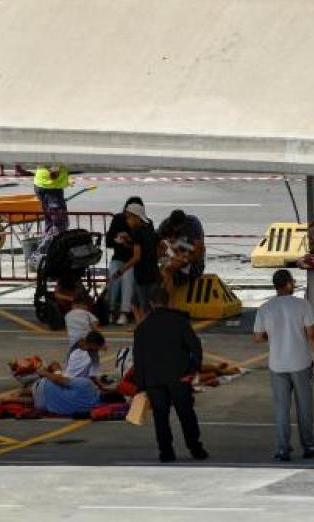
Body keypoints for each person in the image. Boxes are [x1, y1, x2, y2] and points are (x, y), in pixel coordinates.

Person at [254, 269, 314, 461]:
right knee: (304, 408)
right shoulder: (302, 305)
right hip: (300, 363)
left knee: (282, 409)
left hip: (277, 365)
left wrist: (273, 334)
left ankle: (283, 449)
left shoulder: (265, 308)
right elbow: (312, 335)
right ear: (288, 284)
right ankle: (308, 446)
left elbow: (258, 337)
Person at [133, 285, 207, 463]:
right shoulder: (179, 322)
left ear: (150, 304)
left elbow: (138, 358)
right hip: (179, 376)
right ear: (168, 301)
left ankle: (166, 451)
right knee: (186, 414)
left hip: (154, 379)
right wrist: (192, 369)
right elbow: (196, 347)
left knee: (160, 416)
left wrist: (141, 385)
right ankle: (195, 448)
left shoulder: (142, 327)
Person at [105, 197, 145, 325]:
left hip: (133, 262)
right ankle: (111, 310)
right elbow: (108, 241)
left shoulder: (144, 224)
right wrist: (118, 239)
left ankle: (124, 312)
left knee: (128, 277)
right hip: (119, 258)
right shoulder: (118, 219)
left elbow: (143, 249)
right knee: (113, 275)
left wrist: (129, 240)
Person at [157, 209, 206, 294]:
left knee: (168, 270)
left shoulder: (193, 224)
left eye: (177, 227)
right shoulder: (166, 224)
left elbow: (198, 251)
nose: (175, 230)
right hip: (174, 255)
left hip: (192, 261)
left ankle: (169, 302)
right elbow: (156, 240)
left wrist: (184, 259)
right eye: (173, 227)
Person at [33, 165, 70, 240]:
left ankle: (47, 243)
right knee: (59, 222)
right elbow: (54, 165)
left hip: (41, 183)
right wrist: (55, 171)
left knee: (49, 219)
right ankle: (57, 245)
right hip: (51, 186)